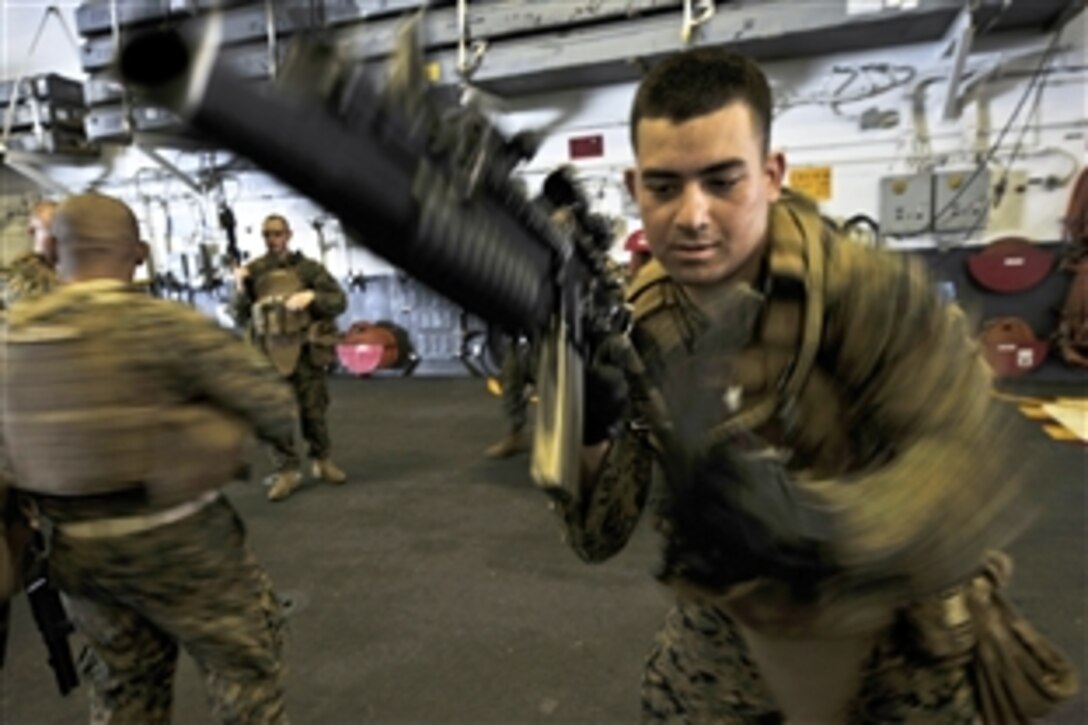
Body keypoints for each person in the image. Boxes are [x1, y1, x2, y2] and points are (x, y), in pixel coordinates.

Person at [558, 48, 1046, 723]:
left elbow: (965, 469)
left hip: (888, 619)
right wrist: (586, 421)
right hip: (733, 615)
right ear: (634, 185)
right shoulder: (641, 318)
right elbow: (598, 537)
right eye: (665, 186)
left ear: (771, 174)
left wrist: (801, 519)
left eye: (722, 181)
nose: (693, 215)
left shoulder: (870, 294)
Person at [0, 193, 295, 723]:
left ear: (53, 254)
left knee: (124, 691)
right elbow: (275, 408)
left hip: (80, 556)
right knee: (242, 674)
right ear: (138, 252)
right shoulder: (166, 326)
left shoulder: (14, 337)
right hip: (187, 547)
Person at [233, 213, 349, 501]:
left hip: (305, 352)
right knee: (276, 416)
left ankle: (322, 461)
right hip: (269, 353)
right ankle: (287, 470)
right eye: (267, 234)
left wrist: (312, 297)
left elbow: (339, 301)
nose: (273, 239)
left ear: (289, 234)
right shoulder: (254, 271)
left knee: (314, 410)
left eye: (278, 233)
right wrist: (239, 287)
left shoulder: (309, 269)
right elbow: (238, 315)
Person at [4, 199, 59, 306]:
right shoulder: (23, 270)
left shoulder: (76, 267)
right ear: (31, 231)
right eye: (45, 229)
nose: (50, 238)